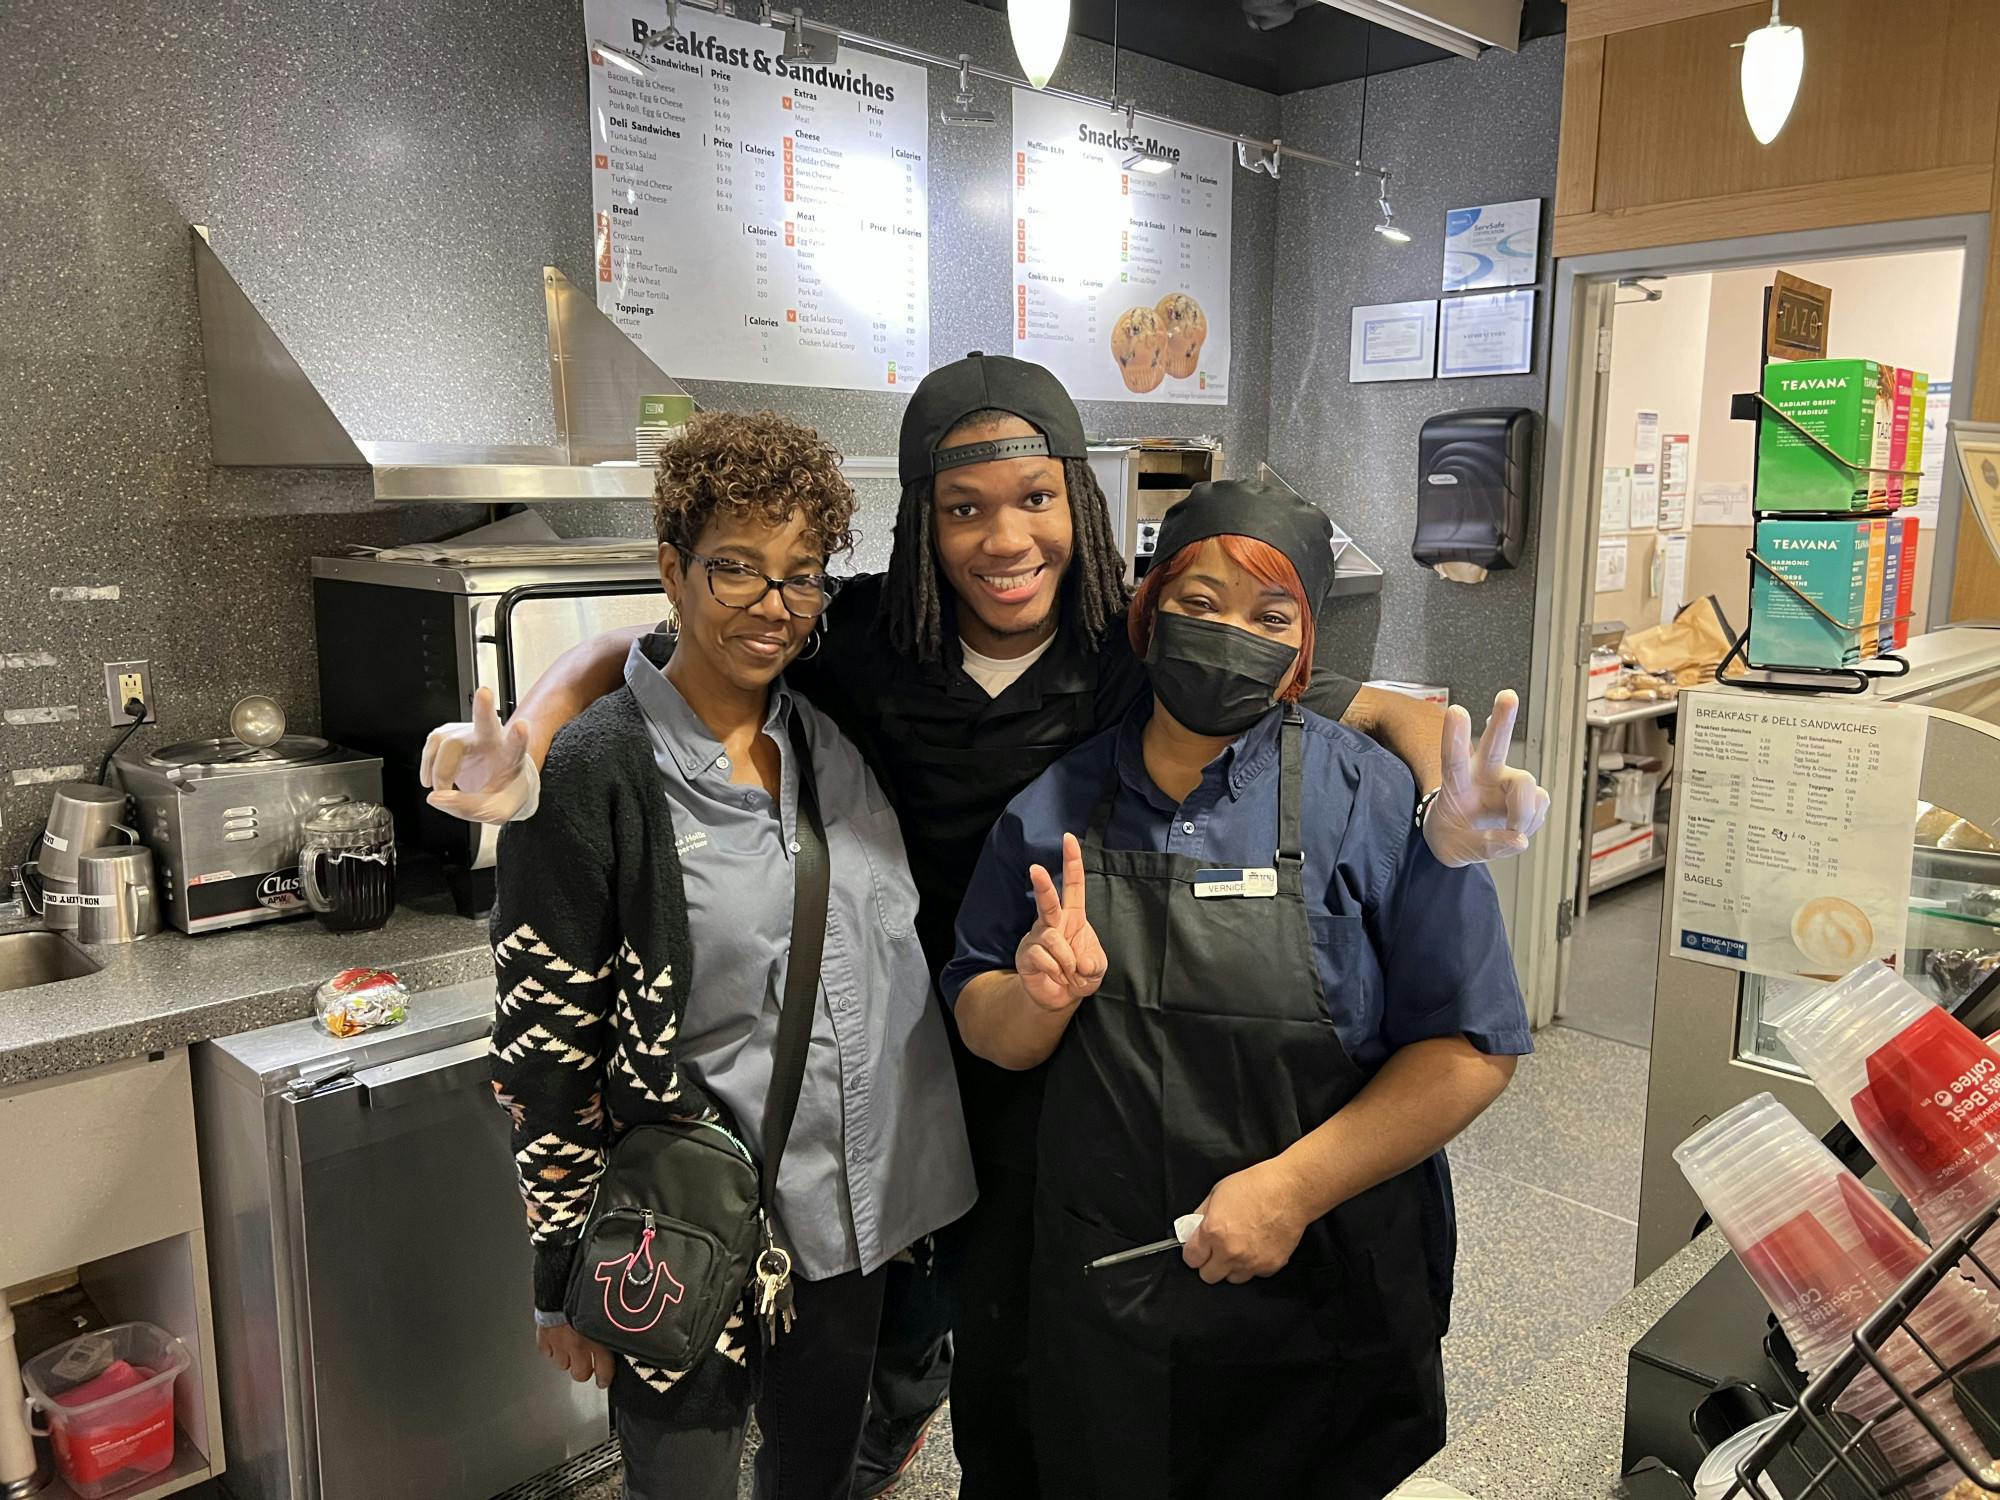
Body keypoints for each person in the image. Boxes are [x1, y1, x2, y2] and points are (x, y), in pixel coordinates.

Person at [429, 354, 1550, 1497]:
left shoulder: (1130, 646)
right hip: (939, 1040)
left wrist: (1443, 800)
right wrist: (534, 727)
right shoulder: (860, 637)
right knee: (978, 1358)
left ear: (1079, 506)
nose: (1004, 539)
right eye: (963, 508)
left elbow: (1347, 695)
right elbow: (660, 647)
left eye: (1035, 498)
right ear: (923, 518)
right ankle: (906, 1404)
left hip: (1080, 1072)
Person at [943, 480, 1532, 1500]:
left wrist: (1290, 1189)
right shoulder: (1053, 805)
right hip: (1116, 1305)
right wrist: (1037, 998)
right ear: (1149, 613)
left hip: (1326, 1305)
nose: (1231, 637)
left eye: (1270, 618)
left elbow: (1469, 1049)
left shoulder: (1375, 798)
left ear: (1304, 651)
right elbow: (978, 1016)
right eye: (1201, 603)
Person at [487, 409, 975, 1500]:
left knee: (814, 1481)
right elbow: (542, 1046)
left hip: (844, 1225)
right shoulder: (596, 770)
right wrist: (558, 1275)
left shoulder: (833, 743)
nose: (772, 605)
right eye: (736, 568)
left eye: (800, 576)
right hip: (682, 1224)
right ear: (673, 569)